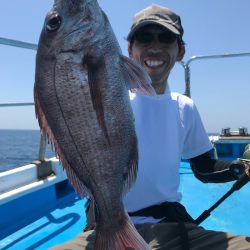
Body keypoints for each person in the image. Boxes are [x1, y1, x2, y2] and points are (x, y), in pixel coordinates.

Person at [51, 4, 250, 250]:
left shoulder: (184, 107)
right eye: (144, 37)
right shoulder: (106, 97)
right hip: (105, 229)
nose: (155, 47)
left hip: (170, 226)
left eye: (166, 38)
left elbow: (204, 168)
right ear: (129, 49)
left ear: (180, 51)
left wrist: (239, 168)